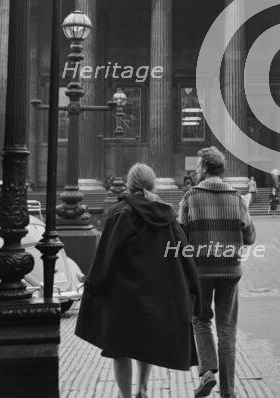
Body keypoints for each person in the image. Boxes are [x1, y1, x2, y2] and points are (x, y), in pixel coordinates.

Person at [76, 163, 201, 398]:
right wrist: (193, 290)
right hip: (154, 291)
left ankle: (126, 396)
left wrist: (94, 284)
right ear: (152, 184)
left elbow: (107, 253)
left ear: (129, 183)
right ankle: (142, 390)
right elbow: (183, 254)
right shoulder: (167, 215)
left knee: (120, 349)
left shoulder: (120, 212)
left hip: (122, 294)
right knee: (146, 342)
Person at [178, 147, 256, 398]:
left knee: (200, 320)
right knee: (227, 330)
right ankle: (228, 392)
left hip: (201, 270)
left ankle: (208, 372)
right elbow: (250, 236)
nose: (196, 170)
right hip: (230, 270)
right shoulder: (236, 198)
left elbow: (181, 234)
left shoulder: (191, 196)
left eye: (198, 166)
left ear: (204, 168)